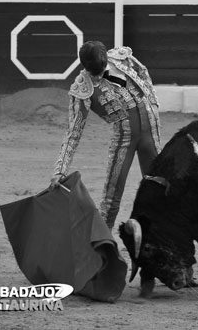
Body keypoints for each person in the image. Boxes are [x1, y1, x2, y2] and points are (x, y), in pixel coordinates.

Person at [50, 41, 161, 229]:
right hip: (125, 137)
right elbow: (73, 133)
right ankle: (103, 245)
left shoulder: (119, 58)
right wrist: (60, 169)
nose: (101, 72)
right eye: (96, 70)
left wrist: (152, 102)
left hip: (150, 128)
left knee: (158, 186)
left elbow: (143, 71)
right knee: (111, 198)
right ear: (86, 67)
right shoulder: (83, 87)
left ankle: (160, 237)